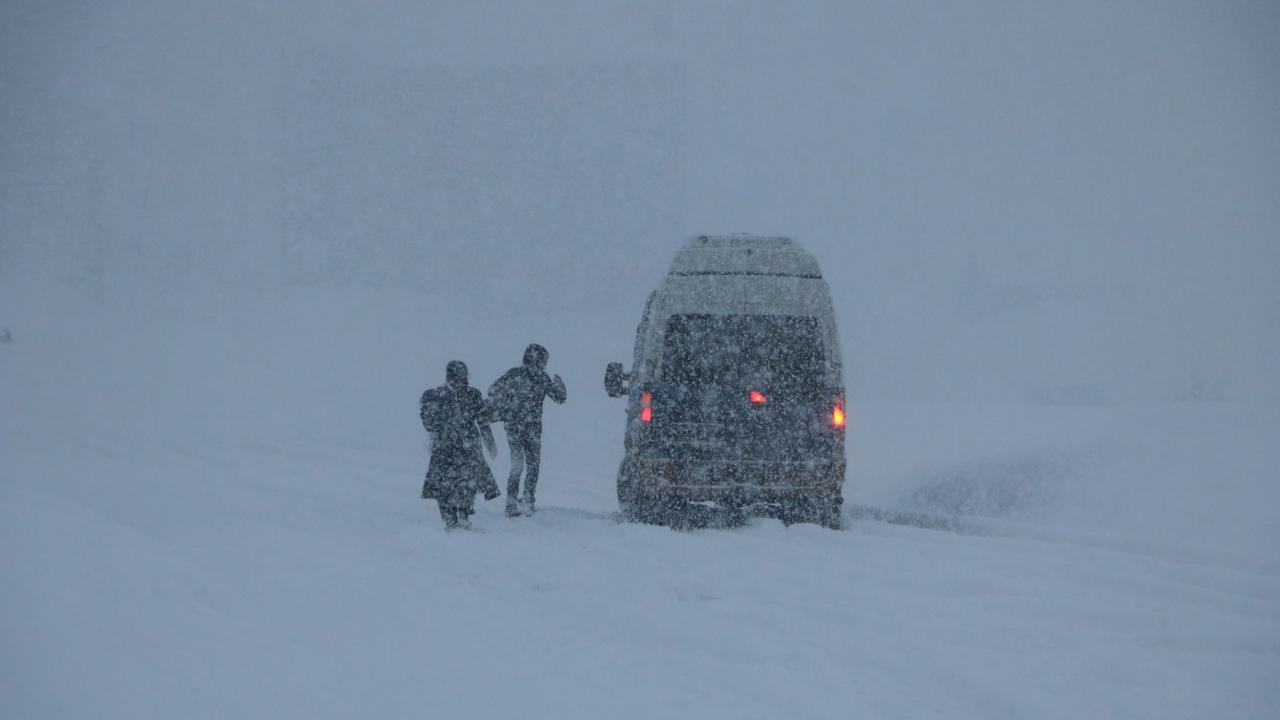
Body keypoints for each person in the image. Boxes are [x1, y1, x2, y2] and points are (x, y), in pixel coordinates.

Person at [420, 360, 499, 530]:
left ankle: (453, 518)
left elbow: (429, 424)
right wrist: (489, 443)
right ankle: (460, 516)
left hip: (447, 446)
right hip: (464, 446)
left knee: (446, 484)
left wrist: (490, 443)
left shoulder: (437, 395)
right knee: (463, 482)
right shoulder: (470, 395)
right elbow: (483, 421)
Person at [489, 344, 566, 516]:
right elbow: (560, 397)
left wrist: (506, 398)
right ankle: (526, 499)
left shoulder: (515, 374)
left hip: (516, 427)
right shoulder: (540, 378)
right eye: (543, 361)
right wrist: (559, 384)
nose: (543, 365)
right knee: (530, 465)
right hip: (529, 428)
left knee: (520, 465)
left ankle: (514, 501)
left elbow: (493, 390)